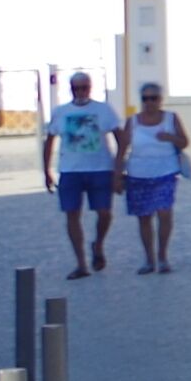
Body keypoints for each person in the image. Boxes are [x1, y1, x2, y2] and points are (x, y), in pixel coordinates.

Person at [42, 70, 125, 276]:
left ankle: (98, 244)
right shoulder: (61, 111)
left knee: (104, 213)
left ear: (90, 87)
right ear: (70, 89)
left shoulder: (104, 110)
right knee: (72, 215)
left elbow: (121, 139)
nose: (80, 92)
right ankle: (81, 263)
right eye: (76, 88)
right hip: (70, 171)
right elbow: (50, 140)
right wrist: (46, 170)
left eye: (84, 87)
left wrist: (118, 169)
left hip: (100, 169)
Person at [121, 81, 191, 272]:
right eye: (145, 98)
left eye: (153, 98)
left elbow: (185, 142)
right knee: (144, 217)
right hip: (138, 174)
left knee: (164, 212)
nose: (149, 102)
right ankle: (149, 259)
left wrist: (170, 138)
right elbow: (122, 149)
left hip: (165, 172)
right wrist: (117, 174)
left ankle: (162, 256)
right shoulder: (133, 121)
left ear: (160, 100)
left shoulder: (171, 118)